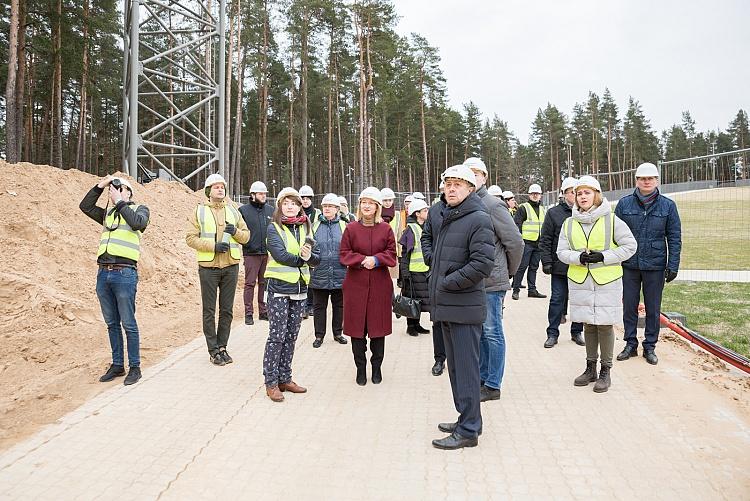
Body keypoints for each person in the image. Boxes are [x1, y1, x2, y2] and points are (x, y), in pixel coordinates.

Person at [425, 164, 494, 450]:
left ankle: (468, 431)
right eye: (448, 183)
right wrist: (435, 271)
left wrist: (447, 282)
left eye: (458, 184)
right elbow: (434, 249)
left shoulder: (478, 218)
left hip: (463, 307)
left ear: (470, 188)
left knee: (466, 370)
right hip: (448, 306)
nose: (451, 188)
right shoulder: (448, 215)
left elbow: (482, 264)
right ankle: (467, 418)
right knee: (456, 369)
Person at [556, 176, 636, 393]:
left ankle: (605, 371)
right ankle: (590, 367)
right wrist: (578, 258)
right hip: (581, 281)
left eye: (587, 193)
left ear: (597, 195)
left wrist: (604, 257)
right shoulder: (569, 223)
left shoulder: (612, 220)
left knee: (604, 324)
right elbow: (561, 252)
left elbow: (630, 246)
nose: (582, 197)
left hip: (606, 281)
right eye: (579, 193)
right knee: (588, 325)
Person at [80, 175, 150, 385]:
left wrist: (119, 202)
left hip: (125, 273)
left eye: (121, 188)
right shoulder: (108, 214)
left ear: (129, 193)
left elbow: (138, 224)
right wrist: (101, 185)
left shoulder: (140, 209)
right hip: (103, 274)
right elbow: (85, 206)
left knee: (128, 323)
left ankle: (135, 367)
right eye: (114, 189)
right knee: (112, 323)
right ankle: (118, 364)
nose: (116, 191)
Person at [464, 157, 524, 403]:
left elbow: (515, 242)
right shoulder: (464, 204)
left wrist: (507, 272)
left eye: (477, 173)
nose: (473, 177)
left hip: (491, 282)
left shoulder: (492, 205)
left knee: (492, 332)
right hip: (473, 281)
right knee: (480, 332)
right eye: (469, 173)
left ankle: (492, 384)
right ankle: (481, 376)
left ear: (485, 177)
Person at [614, 162, 682, 365]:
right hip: (629, 264)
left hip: (656, 265)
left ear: (656, 181)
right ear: (636, 180)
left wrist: (673, 264)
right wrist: (615, 260)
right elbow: (614, 235)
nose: (646, 181)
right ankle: (630, 344)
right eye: (643, 178)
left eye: (650, 178)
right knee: (629, 307)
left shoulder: (668, 206)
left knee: (653, 308)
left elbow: (674, 237)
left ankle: (650, 346)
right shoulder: (624, 204)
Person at [262, 187, 321, 402]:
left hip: (300, 290)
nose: (290, 207)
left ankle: (285, 378)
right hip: (279, 289)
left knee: (291, 336)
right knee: (276, 337)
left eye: (294, 203)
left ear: (299, 206)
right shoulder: (274, 228)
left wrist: (310, 258)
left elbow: (317, 258)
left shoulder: (306, 227)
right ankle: (271, 381)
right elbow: (281, 256)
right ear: (280, 205)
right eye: (286, 203)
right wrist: (304, 259)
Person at [186, 173, 250, 366]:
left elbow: (246, 237)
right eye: (215, 187)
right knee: (209, 310)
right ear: (208, 191)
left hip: (230, 267)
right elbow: (190, 238)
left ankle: (222, 347)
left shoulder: (234, 211)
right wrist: (212, 246)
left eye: (222, 186)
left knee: (227, 310)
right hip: (208, 268)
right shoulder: (199, 212)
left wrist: (236, 232)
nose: (220, 189)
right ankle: (213, 350)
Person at [339, 187, 397, 386]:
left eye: (371, 203)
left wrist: (377, 260)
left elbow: (392, 254)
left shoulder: (386, 229)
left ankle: (377, 367)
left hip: (380, 286)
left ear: (377, 207)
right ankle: (360, 368)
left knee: (378, 329)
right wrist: (362, 259)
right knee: (357, 330)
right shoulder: (351, 228)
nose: (366, 206)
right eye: (364, 202)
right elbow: (344, 253)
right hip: (355, 285)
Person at [540, 176, 585, 348]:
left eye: (577, 192)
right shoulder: (554, 213)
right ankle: (552, 333)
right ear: (564, 194)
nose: (575, 195)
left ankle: (576, 331)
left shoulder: (585, 213)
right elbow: (545, 239)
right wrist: (547, 261)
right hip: (559, 267)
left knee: (578, 300)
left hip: (580, 267)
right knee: (557, 299)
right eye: (571, 192)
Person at [309, 193, 348, 348]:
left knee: (339, 306)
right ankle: (319, 336)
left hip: (340, 273)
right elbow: (309, 246)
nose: (327, 209)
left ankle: (338, 333)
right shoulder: (315, 225)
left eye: (330, 206)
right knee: (319, 307)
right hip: (320, 273)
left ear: (337, 209)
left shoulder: (345, 225)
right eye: (325, 206)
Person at [419, 189, 448, 377]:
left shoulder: (470, 209)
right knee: (438, 320)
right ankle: (439, 359)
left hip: (460, 274)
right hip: (436, 274)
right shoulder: (435, 210)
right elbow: (426, 237)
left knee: (458, 321)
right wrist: (430, 258)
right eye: (447, 185)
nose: (450, 189)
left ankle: (460, 360)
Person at [238, 181, 274, 325]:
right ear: (252, 195)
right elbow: (239, 232)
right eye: (260, 194)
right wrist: (246, 244)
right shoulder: (243, 211)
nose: (263, 196)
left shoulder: (271, 211)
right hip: (251, 253)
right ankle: (248, 314)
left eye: (265, 194)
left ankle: (263, 311)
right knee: (250, 284)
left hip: (266, 253)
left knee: (264, 284)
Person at [398, 199, 432, 337]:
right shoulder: (411, 229)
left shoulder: (426, 227)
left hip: (424, 270)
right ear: (417, 213)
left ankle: (417, 325)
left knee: (420, 299)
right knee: (411, 298)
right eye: (425, 210)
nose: (427, 212)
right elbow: (405, 253)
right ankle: (410, 326)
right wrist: (405, 273)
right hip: (413, 271)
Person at [511, 183, 547, 300]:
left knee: (534, 267)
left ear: (541, 195)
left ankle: (532, 290)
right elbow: (517, 224)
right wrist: (520, 240)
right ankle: (516, 290)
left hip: (538, 243)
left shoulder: (542, 209)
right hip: (526, 243)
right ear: (529, 195)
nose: (535, 195)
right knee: (522, 267)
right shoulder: (523, 208)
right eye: (533, 194)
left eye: (537, 194)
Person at [299, 185, 320, 319]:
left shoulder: (318, 213)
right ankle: (304, 306)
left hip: (314, 248)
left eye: (307, 198)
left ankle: (311, 305)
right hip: (301, 248)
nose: (305, 201)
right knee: (303, 278)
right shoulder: (297, 212)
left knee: (312, 279)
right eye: (303, 198)